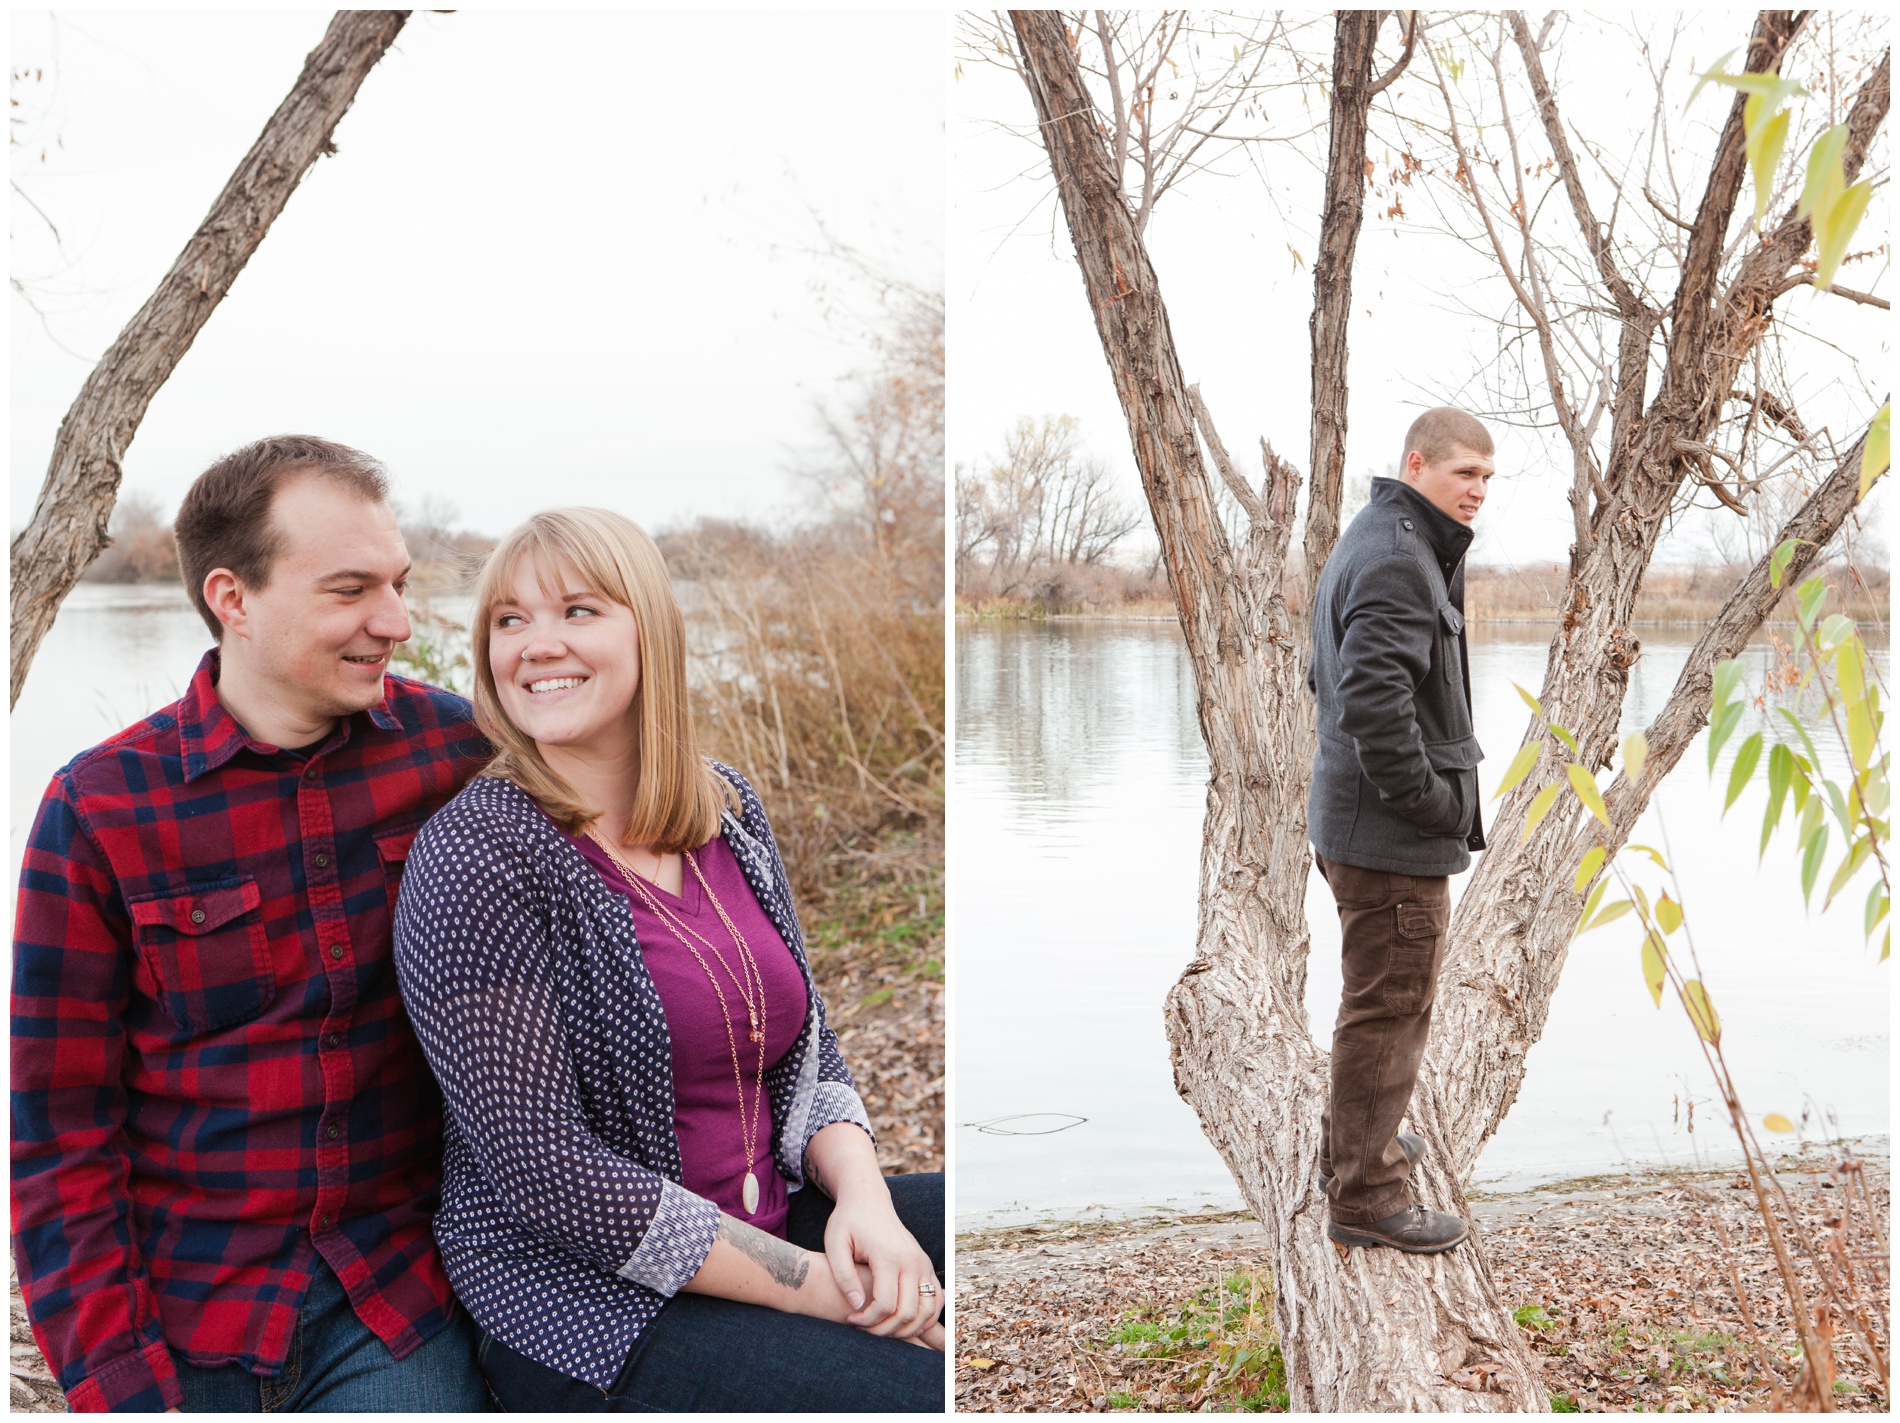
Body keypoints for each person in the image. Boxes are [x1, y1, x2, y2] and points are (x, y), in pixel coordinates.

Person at [392, 507, 945, 1413]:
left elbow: (810, 1050)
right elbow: (544, 1167)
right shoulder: (477, 855)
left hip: (777, 1211)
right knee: (921, 1388)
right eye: (509, 619)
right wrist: (824, 1288)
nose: (537, 644)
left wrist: (867, 1206)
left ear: (651, 626)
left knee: (968, 1277)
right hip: (588, 1304)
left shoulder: (725, 808)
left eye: (578, 610)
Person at [11, 436, 493, 1411]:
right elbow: (58, 1131)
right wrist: (120, 1384)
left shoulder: (459, 754)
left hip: (391, 1302)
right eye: (350, 589)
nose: (395, 621)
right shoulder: (100, 809)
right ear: (233, 598)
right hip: (187, 1313)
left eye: (398, 584)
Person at [1304, 406, 1495, 1255]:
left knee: (1372, 1001)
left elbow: (1325, 672)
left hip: (1361, 827)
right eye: (1465, 474)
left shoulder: (1385, 536)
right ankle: (1370, 1195)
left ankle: (1356, 1148)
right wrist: (1429, 802)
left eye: (1488, 478)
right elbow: (1371, 704)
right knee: (1390, 1007)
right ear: (1417, 463)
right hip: (1388, 839)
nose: (1478, 491)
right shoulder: (1396, 557)